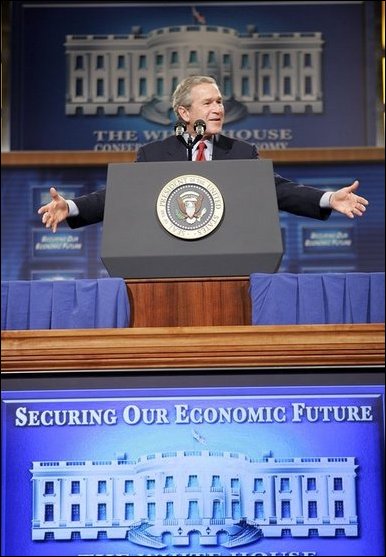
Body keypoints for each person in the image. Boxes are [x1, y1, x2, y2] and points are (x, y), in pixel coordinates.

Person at [38, 75, 368, 232]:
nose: (218, 109)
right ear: (184, 113)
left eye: (220, 101)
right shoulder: (154, 155)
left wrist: (328, 199)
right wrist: (70, 206)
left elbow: (280, 191)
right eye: (208, 103)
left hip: (232, 259)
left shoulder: (241, 153)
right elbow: (119, 197)